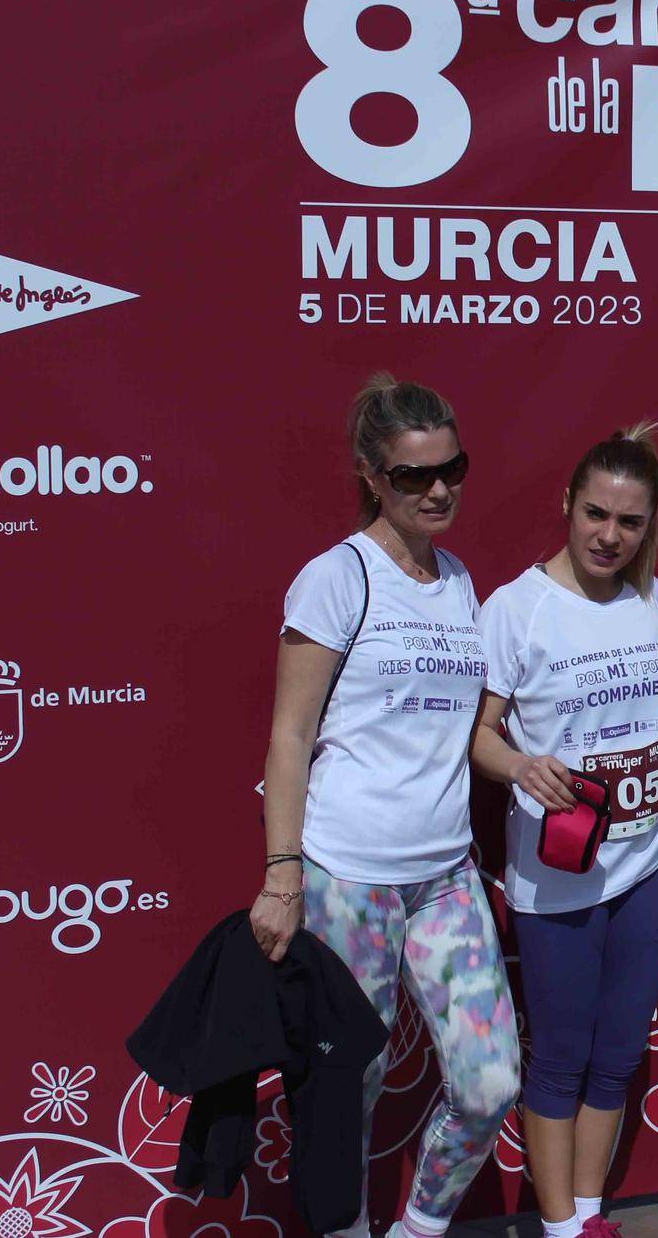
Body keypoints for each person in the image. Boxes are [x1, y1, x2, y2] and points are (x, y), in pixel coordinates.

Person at [249, 373, 520, 1238]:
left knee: (490, 1082)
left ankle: (417, 1228)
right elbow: (290, 737)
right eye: (413, 475)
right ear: (373, 474)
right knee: (344, 1091)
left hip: (445, 875)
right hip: (346, 879)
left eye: (452, 468)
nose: (438, 490)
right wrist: (282, 873)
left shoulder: (460, 579)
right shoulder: (335, 578)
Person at [471, 425, 658, 1238]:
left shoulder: (649, 595)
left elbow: (648, 712)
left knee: (618, 1054)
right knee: (562, 1057)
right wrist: (518, 766)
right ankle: (560, 1226)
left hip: (643, 865)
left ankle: (589, 1213)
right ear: (567, 506)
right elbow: (480, 734)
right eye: (596, 514)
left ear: (649, 526)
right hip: (557, 874)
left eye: (629, 522)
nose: (610, 535)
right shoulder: (516, 607)